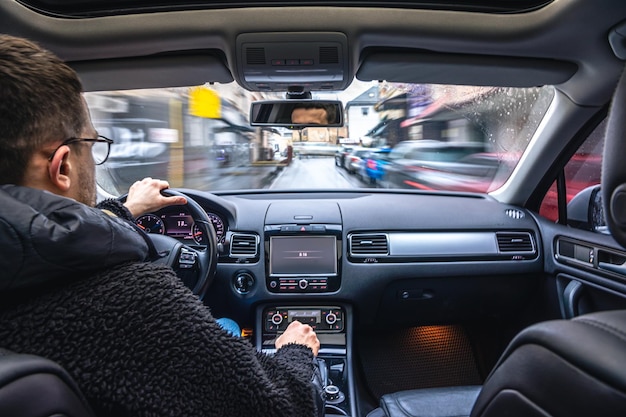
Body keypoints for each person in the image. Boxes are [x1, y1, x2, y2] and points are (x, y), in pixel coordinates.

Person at [0, 34, 322, 417]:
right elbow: (284, 406)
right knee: (229, 330)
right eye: (93, 142)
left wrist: (121, 213)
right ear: (63, 166)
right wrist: (296, 352)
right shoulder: (135, 303)